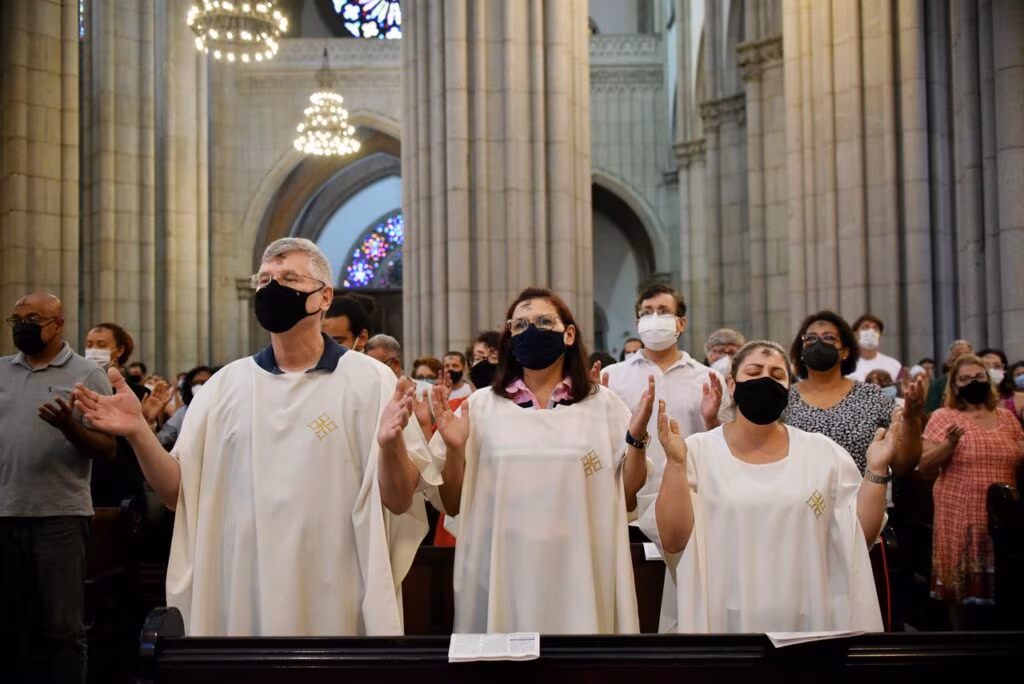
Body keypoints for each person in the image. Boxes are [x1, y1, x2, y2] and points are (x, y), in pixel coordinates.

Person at [74, 237, 437, 637]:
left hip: (337, 584)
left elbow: (400, 499)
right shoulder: (225, 385)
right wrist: (138, 431)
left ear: (324, 296)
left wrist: (388, 446)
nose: (272, 287)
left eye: (289, 277)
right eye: (264, 279)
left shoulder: (370, 380)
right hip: (244, 585)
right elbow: (178, 494)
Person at [426, 287, 650, 634]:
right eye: (520, 325)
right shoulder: (481, 407)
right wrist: (455, 449)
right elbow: (454, 503)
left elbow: (629, 494)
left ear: (569, 333)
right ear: (509, 337)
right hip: (504, 570)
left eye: (544, 321)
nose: (532, 330)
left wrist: (636, 439)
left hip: (581, 568)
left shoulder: (603, 405)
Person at [642, 340, 893, 633]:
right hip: (723, 616)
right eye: (754, 371)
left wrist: (875, 470)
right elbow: (673, 541)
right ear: (732, 385)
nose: (765, 380)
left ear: (789, 388)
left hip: (806, 616)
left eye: (776, 375)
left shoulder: (823, 453)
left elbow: (858, 537)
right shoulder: (696, 452)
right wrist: (674, 463)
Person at [0, 292, 116, 683]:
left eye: (33, 318)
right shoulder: (1, 371)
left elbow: (108, 450)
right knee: (10, 629)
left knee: (62, 631)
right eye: (17, 320)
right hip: (5, 513)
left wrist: (69, 426)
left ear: (58, 324)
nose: (23, 327)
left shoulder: (87, 374)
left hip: (60, 517)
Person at [919, 354, 1024, 629]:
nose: (972, 382)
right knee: (961, 587)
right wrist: (949, 444)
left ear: (987, 381)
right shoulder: (944, 417)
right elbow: (925, 464)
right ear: (954, 385)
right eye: (964, 379)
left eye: (978, 377)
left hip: (1003, 515)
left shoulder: (1007, 417)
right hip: (961, 510)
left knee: (1005, 583)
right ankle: (961, 639)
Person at [784, 311, 922, 476]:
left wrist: (912, 420)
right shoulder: (784, 397)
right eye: (810, 338)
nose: (818, 343)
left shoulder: (872, 397)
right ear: (801, 351)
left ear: (845, 352)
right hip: (798, 498)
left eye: (829, 338)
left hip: (861, 498)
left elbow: (902, 465)